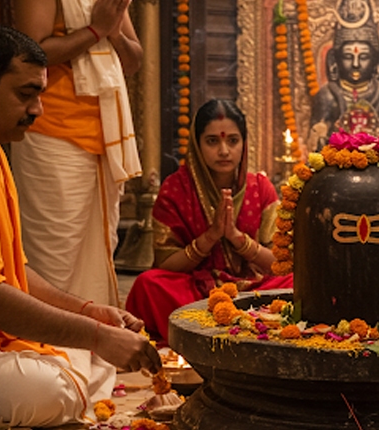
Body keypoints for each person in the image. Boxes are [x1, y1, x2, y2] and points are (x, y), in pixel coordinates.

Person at [0, 24, 160, 428]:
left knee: (89, 361)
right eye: (26, 94)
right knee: (52, 389)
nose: (38, 110)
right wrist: (97, 336)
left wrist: (91, 314)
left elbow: (12, 270)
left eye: (40, 95)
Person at [9, 0, 143, 306]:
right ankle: (50, 335)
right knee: (54, 260)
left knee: (98, 256)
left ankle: (91, 333)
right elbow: (31, 53)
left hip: (105, 136)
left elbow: (134, 60)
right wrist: (96, 30)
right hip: (52, 133)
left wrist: (113, 32)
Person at [126, 99, 294, 343]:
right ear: (197, 144)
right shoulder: (176, 189)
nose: (224, 151)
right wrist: (210, 237)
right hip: (195, 293)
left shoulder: (260, 188)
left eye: (232, 141)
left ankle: (206, 333)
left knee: (296, 282)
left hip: (253, 291)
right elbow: (165, 265)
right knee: (148, 284)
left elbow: (280, 265)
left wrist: (238, 239)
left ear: (244, 144)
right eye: (213, 141)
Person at [307, 0, 379, 151]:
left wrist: (377, 145)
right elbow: (315, 142)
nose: (356, 64)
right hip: (338, 160)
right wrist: (321, 135)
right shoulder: (327, 95)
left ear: (376, 60)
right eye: (347, 56)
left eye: (364, 57)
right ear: (335, 60)